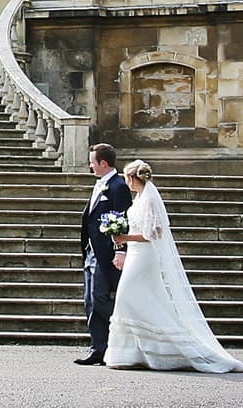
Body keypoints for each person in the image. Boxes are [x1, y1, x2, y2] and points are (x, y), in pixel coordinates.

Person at [105, 159, 243, 373]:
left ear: (132, 178)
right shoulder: (139, 198)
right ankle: (133, 353)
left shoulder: (149, 199)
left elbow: (154, 234)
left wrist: (125, 237)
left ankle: (166, 347)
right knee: (137, 300)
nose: (126, 182)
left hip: (144, 257)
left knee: (128, 297)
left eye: (126, 178)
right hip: (135, 255)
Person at [76, 141, 133, 366]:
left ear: (103, 163)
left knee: (100, 298)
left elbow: (124, 220)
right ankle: (98, 348)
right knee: (89, 300)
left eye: (92, 163)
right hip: (91, 251)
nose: (90, 167)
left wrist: (120, 250)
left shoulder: (118, 187)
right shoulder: (99, 185)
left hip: (106, 253)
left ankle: (124, 332)